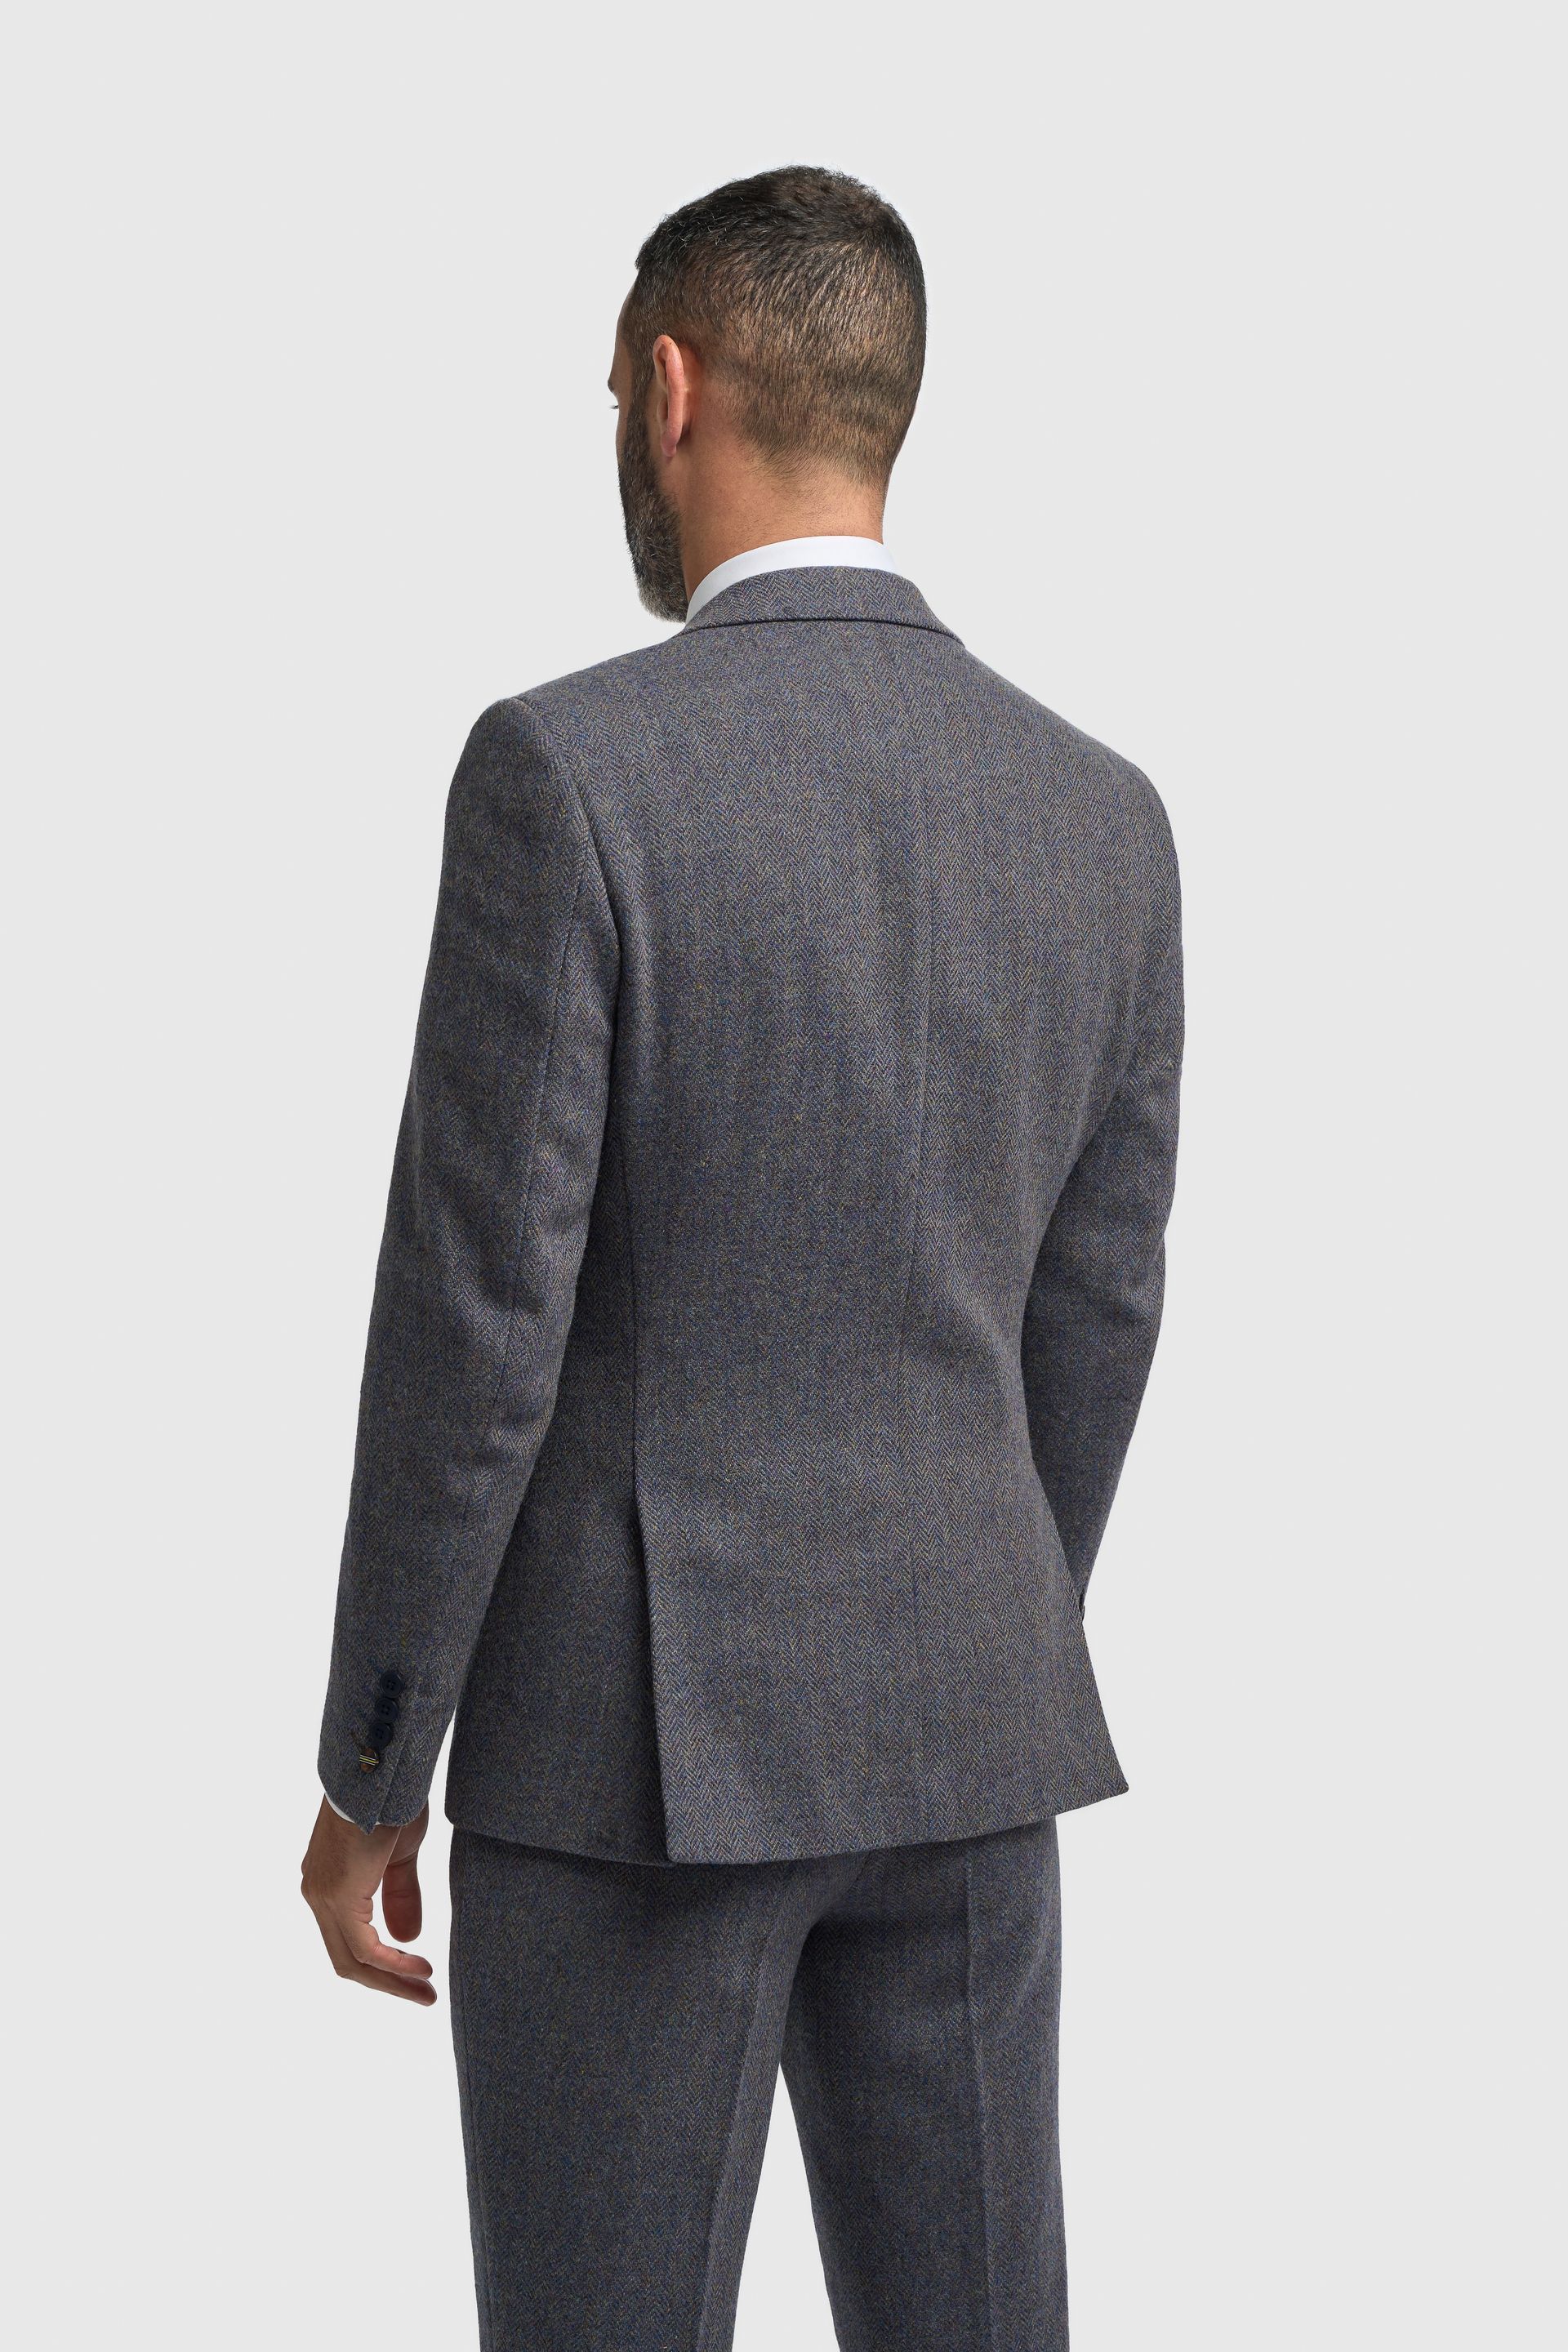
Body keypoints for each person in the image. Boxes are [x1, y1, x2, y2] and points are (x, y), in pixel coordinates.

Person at [301, 163, 1183, 2352]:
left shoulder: (565, 775)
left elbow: (478, 1326)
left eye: (614, 391)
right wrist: (969, 1621)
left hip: (626, 1768)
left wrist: (373, 1760)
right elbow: (1097, 1310)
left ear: (670, 390)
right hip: (967, 1738)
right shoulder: (1101, 814)